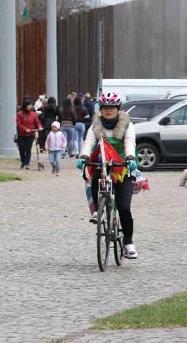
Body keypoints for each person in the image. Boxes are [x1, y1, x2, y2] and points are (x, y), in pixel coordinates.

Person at [76, 92, 138, 259]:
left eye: (112, 107)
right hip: (104, 164)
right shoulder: (95, 124)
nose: (108, 110)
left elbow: (129, 142)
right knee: (95, 178)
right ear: (101, 109)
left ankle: (128, 243)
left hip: (124, 166)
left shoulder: (127, 124)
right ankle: (98, 210)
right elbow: (89, 141)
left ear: (118, 109)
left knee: (124, 207)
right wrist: (84, 157)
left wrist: (130, 158)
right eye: (105, 108)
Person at [16, 98, 42, 169]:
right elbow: (19, 124)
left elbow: (37, 122)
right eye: (29, 105)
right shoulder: (20, 114)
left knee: (28, 149)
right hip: (22, 134)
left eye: (31, 105)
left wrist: (39, 127)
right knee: (21, 148)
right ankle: (23, 161)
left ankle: (27, 163)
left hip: (31, 134)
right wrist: (25, 129)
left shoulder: (33, 114)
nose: (30, 106)